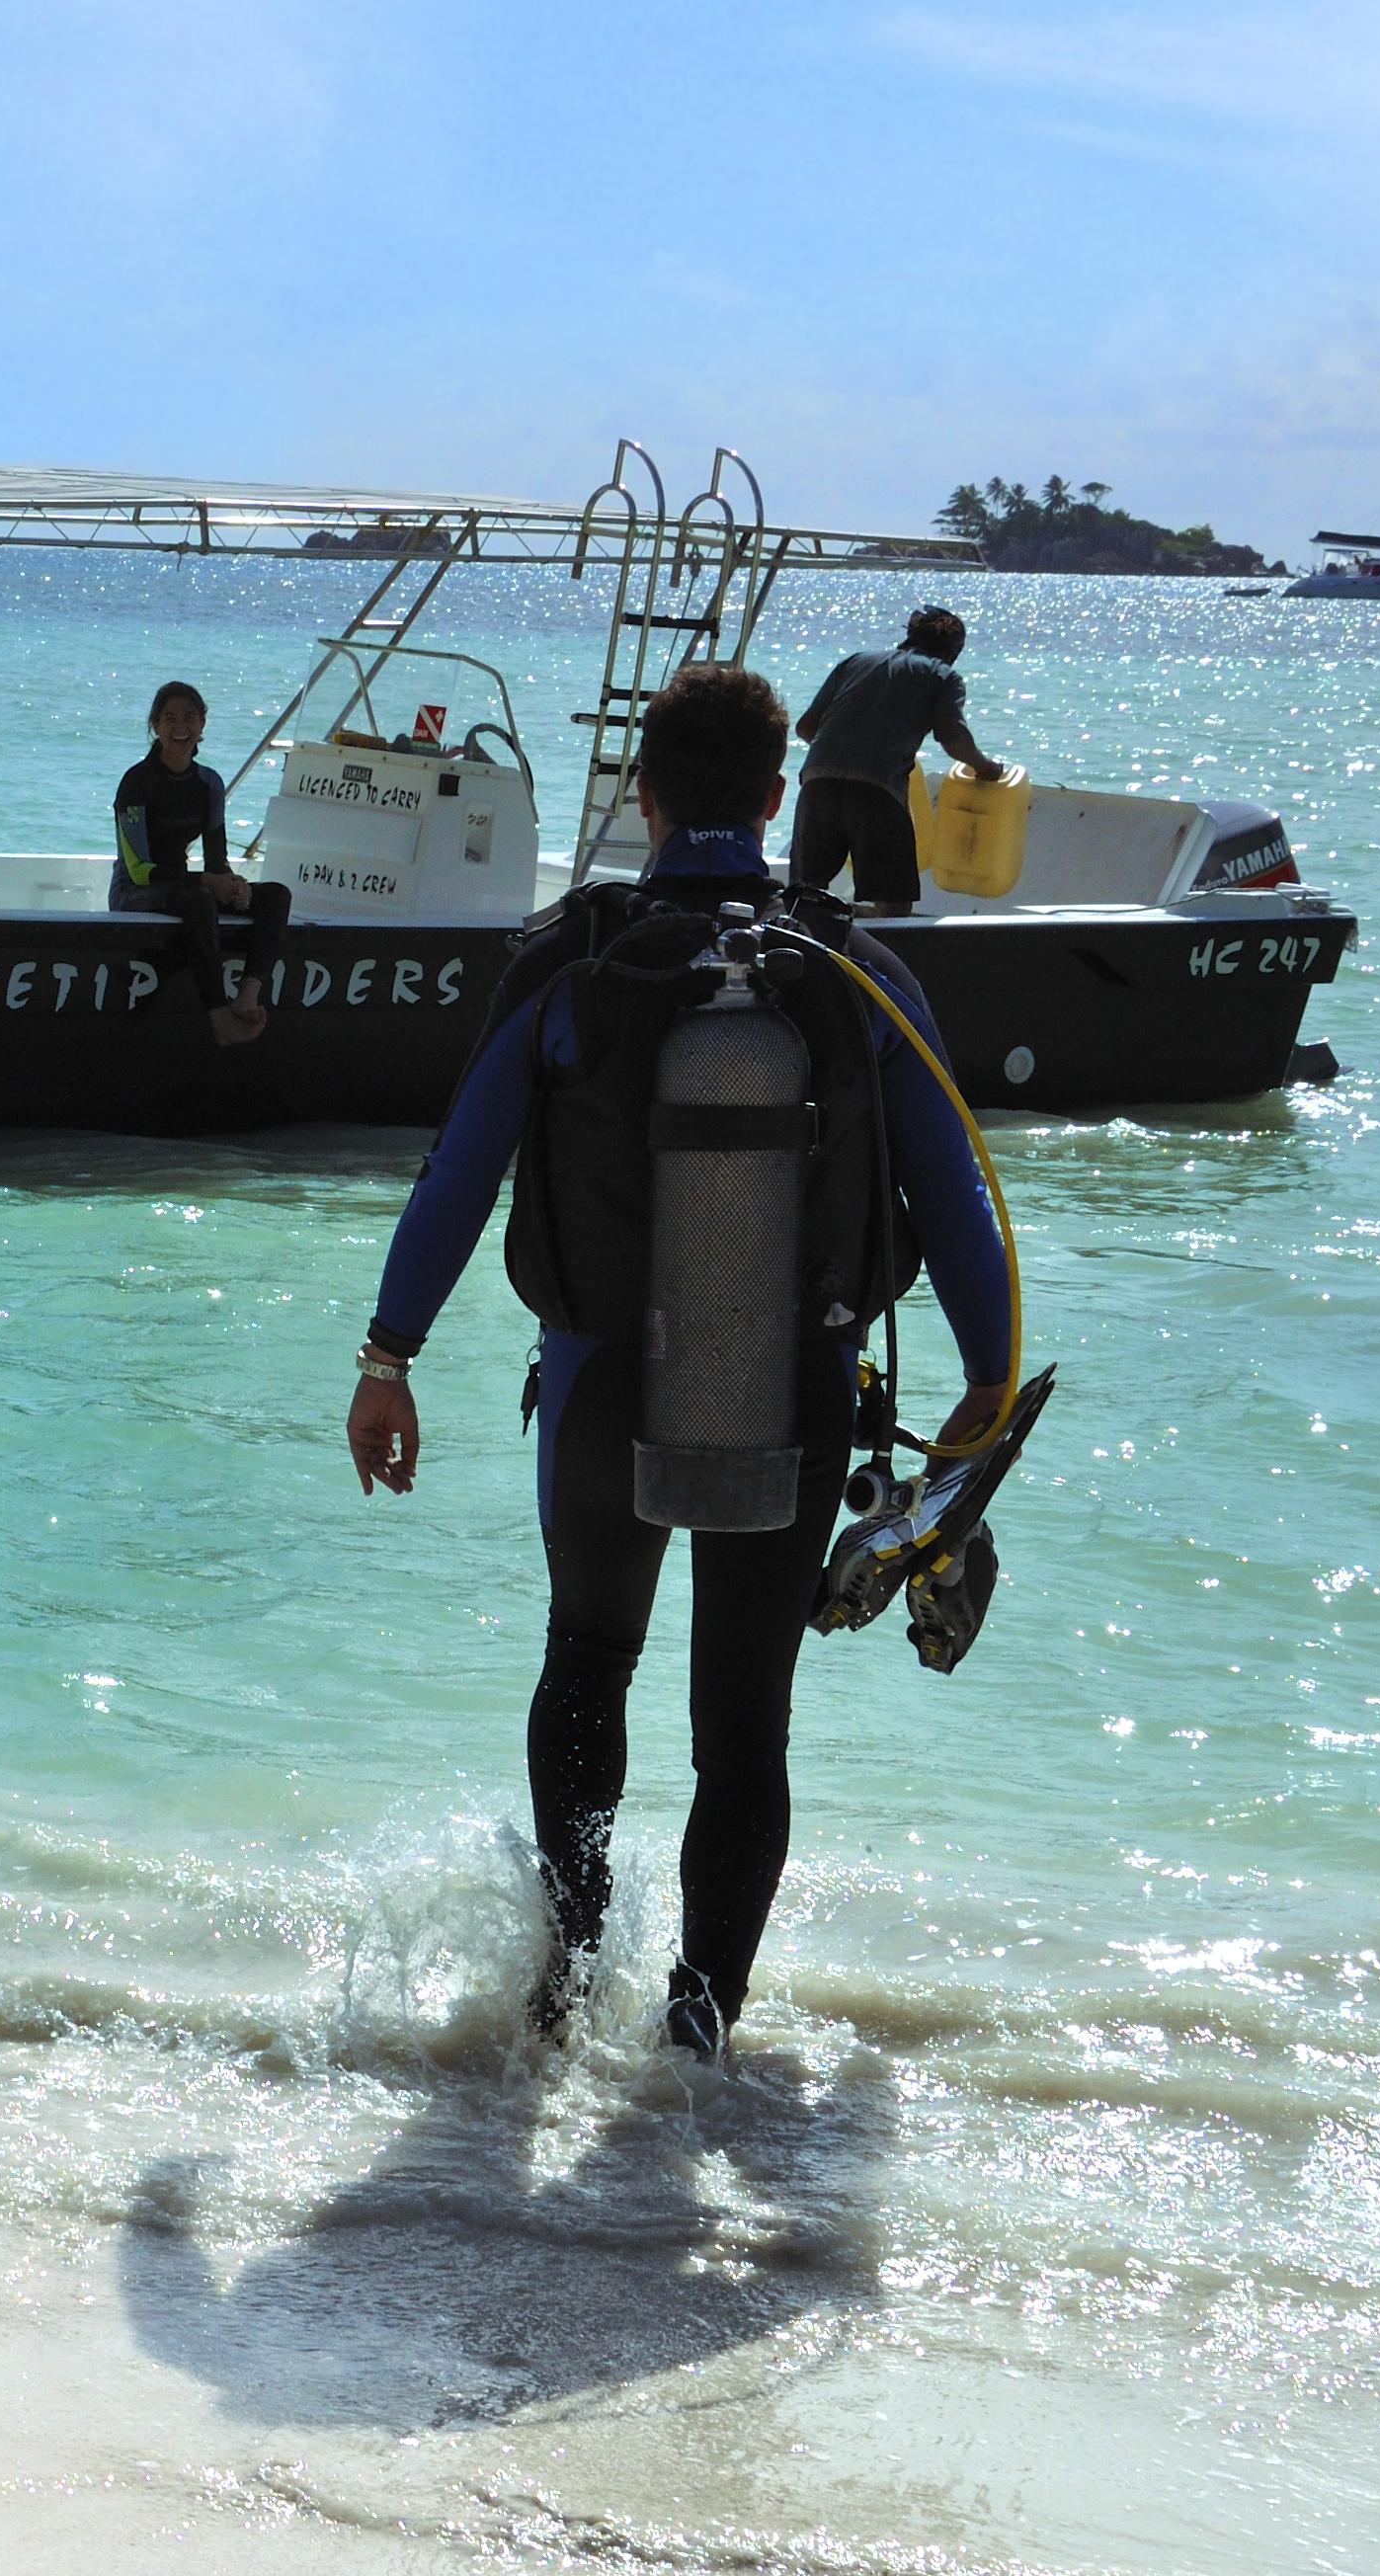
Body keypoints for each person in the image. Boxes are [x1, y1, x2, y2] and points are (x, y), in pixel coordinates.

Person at [343, 662, 1013, 2061]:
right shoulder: (855, 973)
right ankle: (699, 2036)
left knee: (586, 1661)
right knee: (744, 1727)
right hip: (801, 1386)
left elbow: (456, 1175)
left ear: (641, 795)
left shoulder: (573, 960)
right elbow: (957, 1207)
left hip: (595, 1390)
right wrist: (980, 1415)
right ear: (777, 799)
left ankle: (568, 1987)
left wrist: (388, 1356)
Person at [784, 605, 1002, 916]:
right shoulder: (943, 675)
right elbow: (952, 736)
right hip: (877, 791)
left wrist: (845, 749)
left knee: (802, 894)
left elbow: (806, 727)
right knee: (893, 906)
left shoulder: (855, 661)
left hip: (818, 782)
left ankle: (799, 951)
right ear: (954, 650)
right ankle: (874, 951)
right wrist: (985, 768)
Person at [112, 680, 289, 1047]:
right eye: (169, 719)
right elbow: (139, 870)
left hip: (186, 886)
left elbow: (217, 861)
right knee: (199, 900)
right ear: (155, 726)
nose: (180, 728)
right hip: (137, 891)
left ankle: (247, 996)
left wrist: (233, 885)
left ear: (203, 723)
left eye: (189, 718)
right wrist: (208, 883)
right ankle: (219, 1017)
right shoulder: (137, 782)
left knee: (275, 896)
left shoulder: (208, 784)